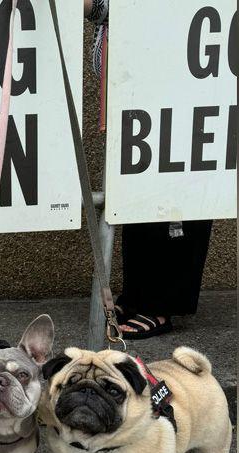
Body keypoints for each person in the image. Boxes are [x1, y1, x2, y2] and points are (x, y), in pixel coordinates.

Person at [85, 0, 214, 340]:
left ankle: (160, 304)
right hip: (139, 80)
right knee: (137, 190)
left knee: (177, 187)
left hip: (182, 68)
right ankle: (139, 296)